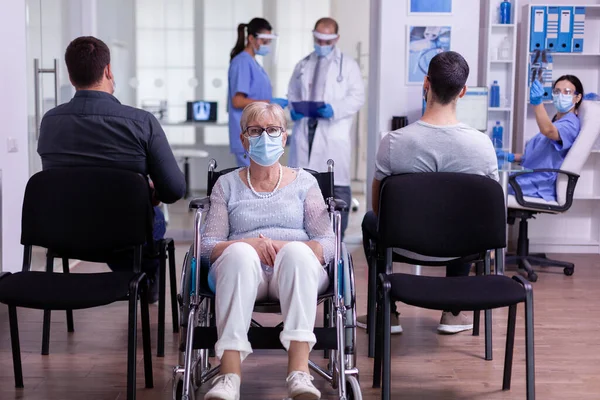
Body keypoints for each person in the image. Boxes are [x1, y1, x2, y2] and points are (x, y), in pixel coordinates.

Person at [357, 51, 499, 335]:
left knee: (369, 221)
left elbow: (380, 207)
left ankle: (388, 311)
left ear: (426, 84)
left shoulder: (393, 142)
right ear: (463, 91)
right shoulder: (483, 145)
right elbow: (489, 210)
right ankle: (453, 311)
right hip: (463, 246)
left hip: (404, 243)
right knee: (467, 221)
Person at [201, 102, 334, 400]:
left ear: (284, 137)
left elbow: (328, 243)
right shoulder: (226, 185)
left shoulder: (305, 183)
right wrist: (249, 245)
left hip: (297, 271)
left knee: (297, 254)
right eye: (256, 130)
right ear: (243, 139)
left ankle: (299, 373)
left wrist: (283, 246)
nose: (265, 137)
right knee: (238, 254)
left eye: (273, 130)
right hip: (243, 272)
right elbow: (207, 246)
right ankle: (229, 376)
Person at [37, 36, 186, 303]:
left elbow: (58, 181)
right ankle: (144, 283)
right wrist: (146, 191)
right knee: (151, 222)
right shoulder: (141, 122)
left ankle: (135, 279)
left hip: (65, 233)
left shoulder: (50, 122)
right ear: (108, 70)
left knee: (125, 221)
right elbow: (174, 189)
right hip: (126, 235)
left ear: (71, 77)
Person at [287, 17, 365, 240]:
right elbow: (292, 93)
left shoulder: (348, 66)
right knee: (301, 190)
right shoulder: (303, 65)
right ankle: (305, 240)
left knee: (336, 188)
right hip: (305, 130)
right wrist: (293, 109)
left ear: (336, 39)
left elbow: (357, 96)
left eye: (326, 40)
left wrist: (335, 109)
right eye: (317, 39)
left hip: (333, 133)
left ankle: (335, 241)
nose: (321, 44)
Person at [497, 75, 584, 201]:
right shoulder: (557, 121)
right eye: (557, 91)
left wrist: (537, 103)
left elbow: (548, 131)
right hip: (529, 178)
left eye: (567, 92)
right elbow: (543, 156)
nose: (561, 95)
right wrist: (511, 157)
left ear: (577, 97)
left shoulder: (570, 124)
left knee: (485, 188)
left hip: (538, 185)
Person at [228, 17, 289, 167]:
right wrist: (269, 104)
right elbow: (237, 101)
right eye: (264, 41)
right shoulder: (242, 61)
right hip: (249, 133)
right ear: (251, 38)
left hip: (258, 133)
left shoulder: (253, 62)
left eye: (269, 41)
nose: (267, 45)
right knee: (250, 182)